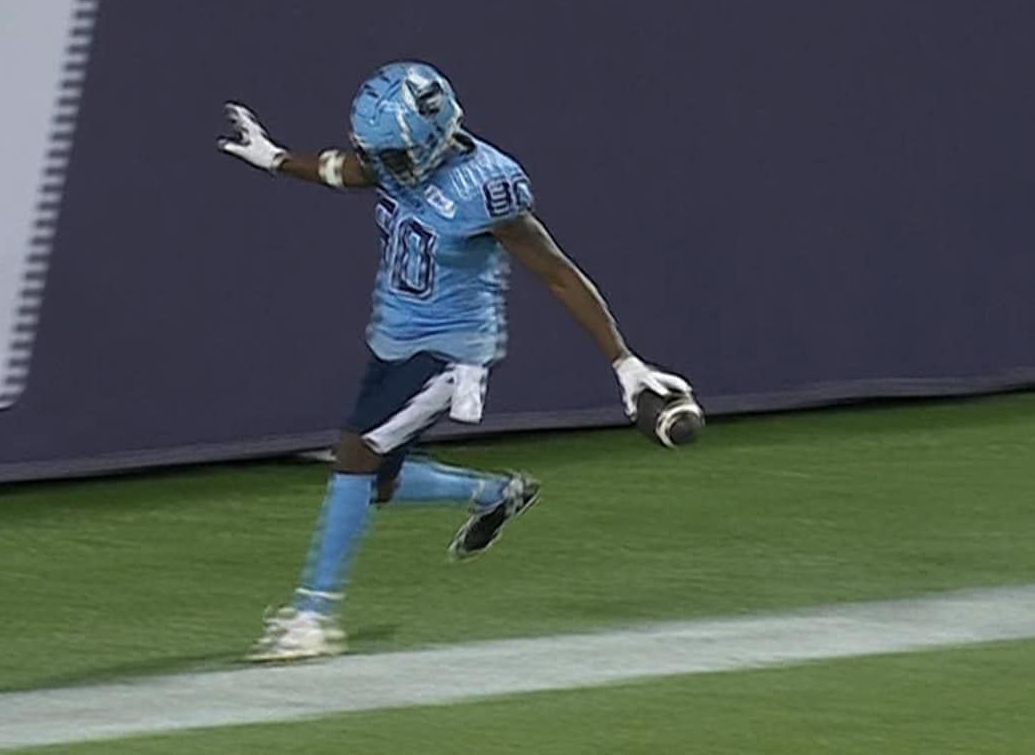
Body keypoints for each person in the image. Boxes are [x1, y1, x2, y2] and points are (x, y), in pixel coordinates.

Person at [218, 61, 692, 663]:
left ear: (432, 141)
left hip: (449, 352)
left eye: (393, 155)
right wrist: (276, 158)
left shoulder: (487, 189)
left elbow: (558, 276)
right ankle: (495, 491)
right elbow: (348, 169)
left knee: (355, 456)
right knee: (379, 479)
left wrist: (624, 363)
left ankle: (312, 616)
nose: (383, 166)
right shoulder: (400, 160)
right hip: (395, 340)